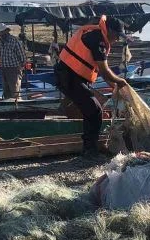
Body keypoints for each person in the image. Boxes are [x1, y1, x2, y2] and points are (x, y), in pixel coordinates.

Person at [55, 15, 129, 158]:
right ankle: (89, 150)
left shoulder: (97, 35)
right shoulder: (98, 39)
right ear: (109, 30)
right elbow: (104, 70)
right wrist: (120, 82)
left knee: (91, 110)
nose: (118, 39)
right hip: (69, 77)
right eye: (117, 35)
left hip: (74, 77)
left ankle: (89, 147)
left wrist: (115, 87)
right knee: (94, 110)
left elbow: (103, 73)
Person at [0, 23, 26, 99]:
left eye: (2, 32)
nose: (1, 34)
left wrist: (20, 69)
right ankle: (8, 106)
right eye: (0, 33)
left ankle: (17, 106)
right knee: (6, 90)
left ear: (6, 31)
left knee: (15, 91)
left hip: (14, 69)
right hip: (3, 68)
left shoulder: (14, 40)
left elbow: (22, 56)